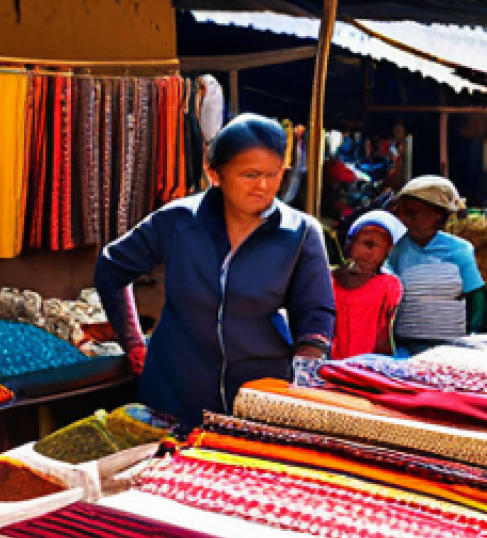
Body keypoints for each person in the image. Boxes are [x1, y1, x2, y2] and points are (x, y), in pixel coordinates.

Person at [95, 114, 335, 429]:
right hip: (174, 391)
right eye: (249, 175)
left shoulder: (301, 232)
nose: (263, 186)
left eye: (273, 174)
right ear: (215, 173)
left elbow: (315, 314)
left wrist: (302, 386)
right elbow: (111, 267)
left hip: (260, 394)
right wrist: (133, 341)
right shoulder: (177, 221)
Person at [389, 175, 486, 355]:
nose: (403, 218)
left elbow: (476, 298)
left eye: (411, 213)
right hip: (405, 346)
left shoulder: (460, 250)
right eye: (400, 212)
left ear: (437, 215)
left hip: (451, 347)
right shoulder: (396, 250)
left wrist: (471, 336)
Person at [330, 210, 406, 359]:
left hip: (368, 365)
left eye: (378, 247)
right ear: (351, 245)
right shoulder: (330, 278)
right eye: (366, 244)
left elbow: (385, 335)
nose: (369, 253)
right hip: (330, 364)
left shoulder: (388, 285)